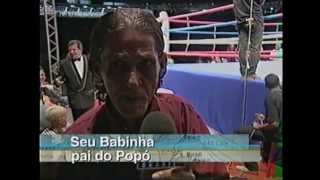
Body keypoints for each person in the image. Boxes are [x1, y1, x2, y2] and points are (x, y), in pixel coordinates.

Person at [55, 8, 229, 180]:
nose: (132, 81)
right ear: (97, 69)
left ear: (162, 65)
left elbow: (218, 175)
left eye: (145, 64)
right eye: (118, 65)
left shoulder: (183, 115)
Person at [235, 73, 282, 172]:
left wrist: (258, 127)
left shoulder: (271, 97)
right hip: (278, 132)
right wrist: (264, 118)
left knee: (239, 132)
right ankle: (264, 157)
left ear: (266, 86)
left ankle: (251, 167)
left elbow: (274, 125)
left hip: (277, 135)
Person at [55, 40, 95, 121]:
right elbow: (61, 79)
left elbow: (96, 74)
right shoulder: (64, 64)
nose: (71, 52)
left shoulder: (89, 60)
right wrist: (57, 82)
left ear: (80, 49)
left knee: (91, 123)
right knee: (78, 124)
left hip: (89, 99)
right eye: (70, 50)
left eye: (74, 50)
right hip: (75, 101)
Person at [233, 0, 265, 79]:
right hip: (255, 17)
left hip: (241, 20)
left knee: (242, 47)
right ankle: (251, 73)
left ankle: (243, 72)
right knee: (255, 47)